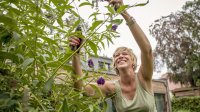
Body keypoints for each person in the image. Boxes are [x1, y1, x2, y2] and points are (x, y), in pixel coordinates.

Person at [69, 0, 157, 111]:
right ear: (114, 64)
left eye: (125, 54)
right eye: (116, 56)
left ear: (133, 61)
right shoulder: (112, 88)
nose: (120, 56)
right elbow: (80, 88)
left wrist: (123, 11)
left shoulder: (144, 78)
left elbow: (147, 50)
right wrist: (75, 54)